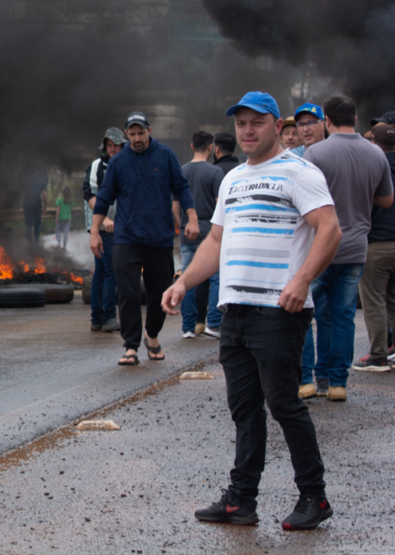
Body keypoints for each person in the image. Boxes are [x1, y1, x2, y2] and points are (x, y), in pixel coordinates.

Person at [161, 90, 342, 531]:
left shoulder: (300, 172)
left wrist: (300, 282)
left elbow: (330, 229)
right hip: (236, 310)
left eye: (257, 122)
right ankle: (241, 500)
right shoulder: (233, 179)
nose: (247, 130)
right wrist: (184, 281)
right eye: (241, 123)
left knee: (284, 404)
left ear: (277, 127)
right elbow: (216, 243)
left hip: (278, 310)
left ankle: (314, 498)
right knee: (244, 409)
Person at [299, 95, 393, 402]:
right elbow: (386, 200)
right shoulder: (376, 154)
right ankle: (337, 383)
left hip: (320, 249)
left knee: (303, 313)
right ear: (355, 117)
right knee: (342, 316)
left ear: (326, 120)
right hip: (355, 249)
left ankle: (307, 380)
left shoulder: (315, 154)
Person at [91, 111, 198, 365]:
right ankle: (130, 346)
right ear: (127, 134)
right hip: (126, 237)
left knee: (159, 291)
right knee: (127, 292)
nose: (137, 138)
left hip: (159, 237)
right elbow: (104, 197)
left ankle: (151, 335)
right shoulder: (118, 162)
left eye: (141, 133)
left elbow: (181, 187)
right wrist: (95, 232)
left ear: (149, 130)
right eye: (132, 133)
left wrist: (192, 218)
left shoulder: (165, 155)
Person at [352, 122, 395, 373]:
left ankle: (378, 355)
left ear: (374, 144)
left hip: (376, 244)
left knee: (374, 302)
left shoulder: (372, 166)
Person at [173, 130, 224, 338]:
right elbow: (220, 206)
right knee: (216, 278)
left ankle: (188, 327)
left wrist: (183, 224)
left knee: (187, 277)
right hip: (210, 232)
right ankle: (213, 323)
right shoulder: (215, 172)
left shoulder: (181, 171)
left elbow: (175, 207)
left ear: (192, 146)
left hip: (187, 232)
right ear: (211, 148)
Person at [83, 128, 126, 333]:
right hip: (102, 226)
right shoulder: (97, 166)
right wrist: (104, 221)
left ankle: (97, 319)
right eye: (109, 145)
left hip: (117, 225)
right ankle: (108, 317)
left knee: (101, 271)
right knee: (110, 271)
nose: (113, 149)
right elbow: (91, 195)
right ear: (105, 147)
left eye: (116, 145)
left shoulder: (126, 164)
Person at [22, 165, 48, 243]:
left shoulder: (25, 181)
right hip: (37, 206)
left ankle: (29, 243)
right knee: (37, 224)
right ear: (37, 172)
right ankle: (36, 244)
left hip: (27, 205)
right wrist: (45, 206)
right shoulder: (41, 181)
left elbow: (20, 192)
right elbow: (44, 195)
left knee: (28, 223)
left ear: (30, 172)